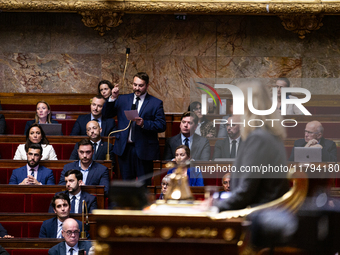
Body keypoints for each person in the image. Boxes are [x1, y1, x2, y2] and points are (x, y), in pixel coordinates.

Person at [214, 80, 290, 211]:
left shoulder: (258, 138)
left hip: (257, 218)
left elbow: (246, 192)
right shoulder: (266, 135)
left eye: (234, 103)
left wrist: (213, 207)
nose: (231, 108)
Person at [102, 72, 166, 185]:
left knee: (143, 186)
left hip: (144, 150)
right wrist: (112, 97)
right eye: (135, 85)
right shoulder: (122, 99)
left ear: (147, 85)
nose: (137, 88)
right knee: (127, 185)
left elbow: (162, 125)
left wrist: (144, 124)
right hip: (124, 149)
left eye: (140, 85)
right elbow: (107, 114)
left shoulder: (155, 103)